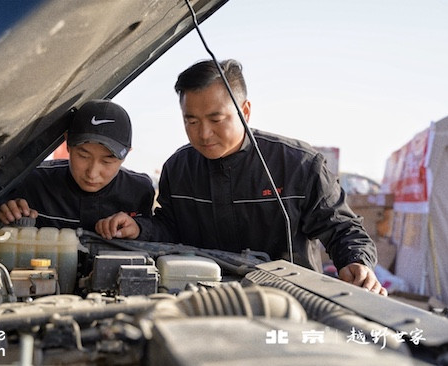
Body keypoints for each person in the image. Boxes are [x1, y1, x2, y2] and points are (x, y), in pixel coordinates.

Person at [95, 59, 387, 296]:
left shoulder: (299, 165)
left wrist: (355, 262)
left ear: (244, 111)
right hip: (201, 300)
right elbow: (170, 228)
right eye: (191, 121)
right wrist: (139, 229)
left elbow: (342, 229)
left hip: (288, 303)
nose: (203, 133)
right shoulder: (178, 168)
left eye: (216, 119)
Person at [0, 99, 155, 230]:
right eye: (83, 156)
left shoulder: (139, 190)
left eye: (107, 161)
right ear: (68, 144)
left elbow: (156, 232)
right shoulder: (33, 180)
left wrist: (139, 228)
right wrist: (4, 213)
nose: (92, 173)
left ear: (126, 154)